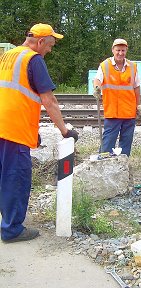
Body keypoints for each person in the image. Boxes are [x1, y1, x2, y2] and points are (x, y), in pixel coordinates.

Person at [0, 23, 79, 243]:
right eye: (50, 45)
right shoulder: (34, 60)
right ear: (40, 41)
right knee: (16, 178)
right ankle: (12, 229)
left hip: (3, 126)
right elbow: (48, 100)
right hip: (14, 130)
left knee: (3, 176)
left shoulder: (9, 55)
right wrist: (64, 130)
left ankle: (6, 220)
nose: (50, 50)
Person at [93, 38, 141, 157]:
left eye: (123, 50)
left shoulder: (132, 67)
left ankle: (122, 165)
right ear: (113, 50)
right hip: (113, 112)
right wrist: (96, 87)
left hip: (129, 112)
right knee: (108, 143)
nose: (120, 53)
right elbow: (97, 79)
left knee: (126, 144)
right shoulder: (105, 65)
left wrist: (138, 105)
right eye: (118, 50)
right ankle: (104, 164)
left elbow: (137, 87)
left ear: (126, 51)